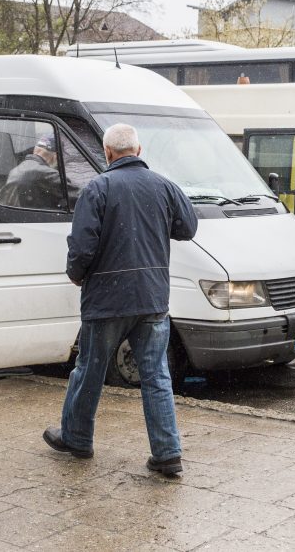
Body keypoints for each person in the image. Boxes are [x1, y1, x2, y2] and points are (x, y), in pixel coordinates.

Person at [43, 123, 198, 476]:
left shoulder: (98, 188)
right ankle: (167, 454)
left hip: (107, 300)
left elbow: (82, 246)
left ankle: (77, 438)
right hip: (153, 297)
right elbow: (188, 227)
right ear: (139, 151)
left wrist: (76, 273)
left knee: (90, 370)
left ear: (107, 153)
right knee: (157, 375)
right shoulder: (164, 186)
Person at [0, 132, 67, 210]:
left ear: (35, 150)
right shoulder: (47, 174)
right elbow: (78, 198)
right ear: (56, 156)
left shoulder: (15, 171)